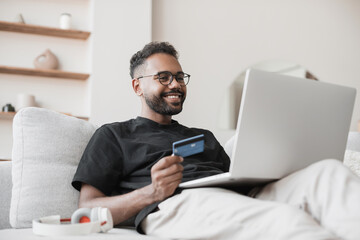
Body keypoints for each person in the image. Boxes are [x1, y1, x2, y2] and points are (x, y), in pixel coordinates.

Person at [72, 42, 360, 240]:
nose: (176, 84)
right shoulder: (114, 135)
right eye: (163, 77)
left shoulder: (203, 137)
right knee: (285, 221)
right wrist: (152, 192)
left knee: (329, 173)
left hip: (236, 196)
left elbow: (237, 179)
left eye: (179, 76)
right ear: (138, 86)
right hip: (174, 204)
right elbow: (87, 207)